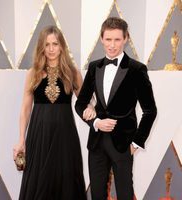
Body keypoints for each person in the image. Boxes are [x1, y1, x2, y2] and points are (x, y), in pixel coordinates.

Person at [75, 17, 157, 200]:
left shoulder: (137, 69)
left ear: (126, 38)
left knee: (125, 194)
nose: (112, 45)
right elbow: (80, 104)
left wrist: (136, 143)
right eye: (108, 39)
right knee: (97, 195)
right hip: (96, 144)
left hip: (123, 144)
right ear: (101, 39)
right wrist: (94, 121)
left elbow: (150, 111)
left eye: (117, 39)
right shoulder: (94, 67)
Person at [13, 25, 95, 200]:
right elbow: (25, 108)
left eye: (55, 44)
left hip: (65, 135)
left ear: (61, 46)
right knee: (39, 182)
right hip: (38, 135)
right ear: (41, 47)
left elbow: (86, 101)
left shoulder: (73, 73)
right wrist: (21, 139)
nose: (51, 49)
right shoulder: (33, 73)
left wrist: (91, 107)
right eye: (47, 44)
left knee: (65, 179)